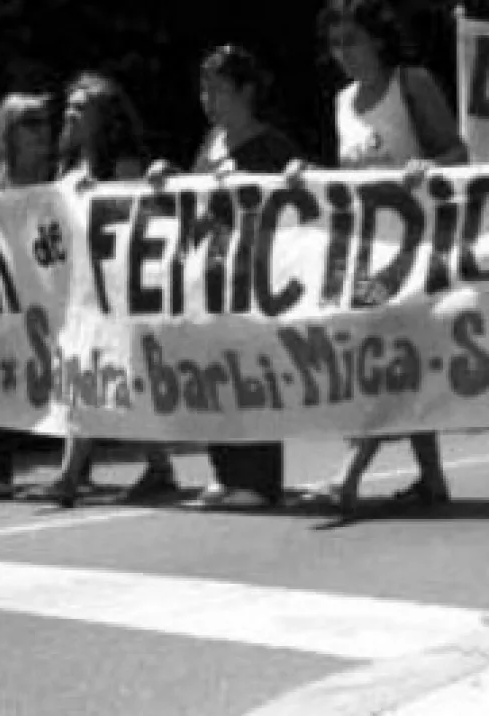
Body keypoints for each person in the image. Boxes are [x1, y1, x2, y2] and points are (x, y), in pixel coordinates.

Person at [301, 0, 468, 518]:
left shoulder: (411, 84)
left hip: (418, 248)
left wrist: (429, 167)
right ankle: (432, 479)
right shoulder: (342, 102)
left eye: (352, 40)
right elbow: (350, 182)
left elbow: (459, 154)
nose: (343, 53)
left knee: (389, 361)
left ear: (377, 39)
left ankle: (346, 477)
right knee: (399, 360)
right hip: (367, 252)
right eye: (335, 44)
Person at [147, 46, 304, 509]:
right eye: (204, 90)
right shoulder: (210, 144)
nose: (208, 100)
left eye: (218, 90)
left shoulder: (271, 145)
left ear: (246, 92)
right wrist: (170, 180)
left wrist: (299, 173)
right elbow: (196, 203)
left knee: (251, 375)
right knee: (215, 375)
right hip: (209, 278)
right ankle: (226, 471)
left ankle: (259, 481)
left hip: (253, 280)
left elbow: (303, 196)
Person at [25, 72, 168, 508]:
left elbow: (132, 211)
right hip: (78, 286)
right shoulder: (68, 165)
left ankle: (70, 477)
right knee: (91, 375)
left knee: (97, 374)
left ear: (104, 117)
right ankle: (156, 467)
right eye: (70, 105)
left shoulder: (121, 160)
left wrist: (102, 193)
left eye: (82, 107)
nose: (71, 112)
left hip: (113, 287)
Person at [0, 92, 57, 499]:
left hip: (54, 294)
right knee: (1, 378)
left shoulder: (62, 178)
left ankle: (78, 469)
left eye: (44, 122)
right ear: (8, 133)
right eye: (30, 123)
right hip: (9, 299)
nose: (42, 131)